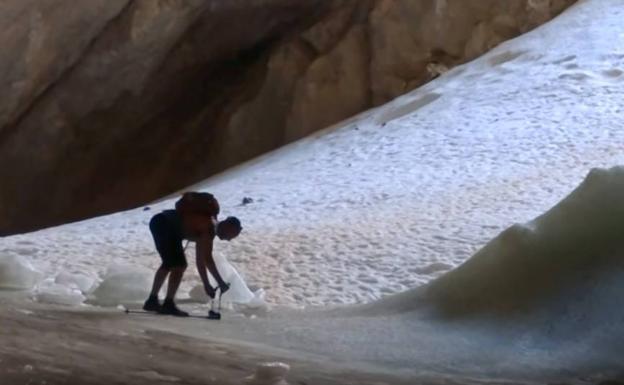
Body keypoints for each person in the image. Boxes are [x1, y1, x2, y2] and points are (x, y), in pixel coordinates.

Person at [143, 192, 242, 316]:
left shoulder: (210, 226)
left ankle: (152, 301)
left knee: (170, 264)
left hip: (160, 222)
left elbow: (201, 261)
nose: (229, 239)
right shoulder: (209, 228)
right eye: (232, 235)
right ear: (228, 226)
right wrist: (219, 283)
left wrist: (207, 284)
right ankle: (168, 304)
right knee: (179, 265)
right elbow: (208, 260)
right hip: (165, 225)